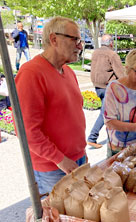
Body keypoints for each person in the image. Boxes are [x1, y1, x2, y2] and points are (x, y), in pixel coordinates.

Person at [15, 17, 87, 194]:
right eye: (75, 39)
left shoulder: (68, 71)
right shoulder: (31, 73)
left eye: (80, 40)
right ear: (54, 39)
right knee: (60, 220)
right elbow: (26, 130)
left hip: (78, 159)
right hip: (54, 168)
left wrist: (80, 154)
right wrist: (60, 159)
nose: (80, 46)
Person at [87, 34, 125, 149]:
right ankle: (92, 138)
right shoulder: (112, 54)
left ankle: (115, 136)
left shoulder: (95, 52)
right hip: (108, 87)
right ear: (111, 43)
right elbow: (121, 74)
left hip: (98, 86)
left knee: (109, 111)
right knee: (105, 113)